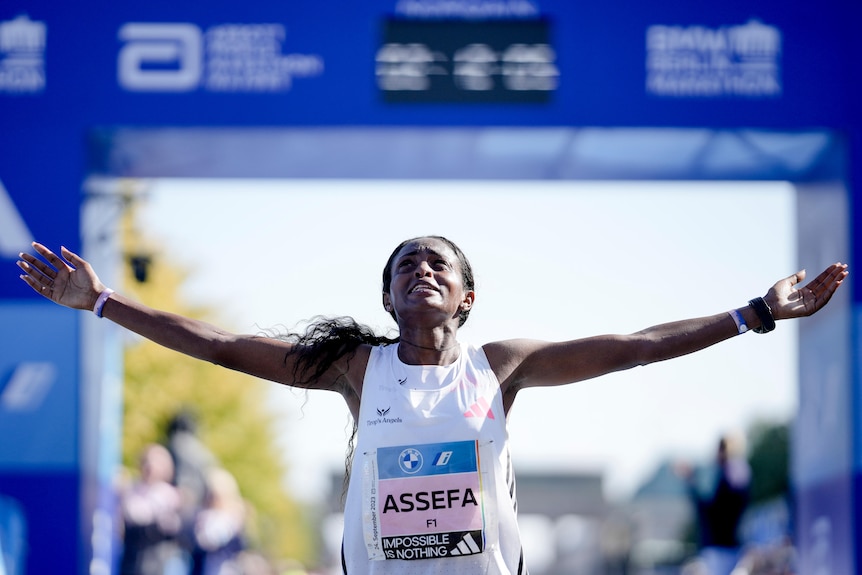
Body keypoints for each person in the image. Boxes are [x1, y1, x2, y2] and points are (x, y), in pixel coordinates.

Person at [17, 237, 847, 575]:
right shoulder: (355, 368)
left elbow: (632, 344)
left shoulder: (501, 366)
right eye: (405, 265)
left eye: (439, 264)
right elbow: (222, 345)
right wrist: (103, 303)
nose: (422, 270)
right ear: (385, 295)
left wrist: (757, 313)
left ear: (467, 297)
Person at [679, 433, 752, 575]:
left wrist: (690, 482)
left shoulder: (729, 477)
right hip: (730, 545)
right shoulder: (738, 476)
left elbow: (711, 511)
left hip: (719, 547)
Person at [118, 444, 184, 575]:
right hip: (131, 560)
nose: (149, 467)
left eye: (155, 463)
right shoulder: (134, 489)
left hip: (156, 562)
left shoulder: (167, 494)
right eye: (146, 462)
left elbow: (138, 514)